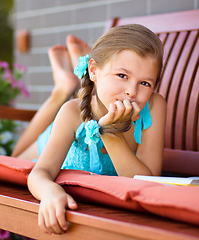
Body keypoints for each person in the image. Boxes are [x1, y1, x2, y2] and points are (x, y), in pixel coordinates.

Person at [27, 24, 167, 235]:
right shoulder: (71, 112)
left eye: (145, 83)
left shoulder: (154, 105)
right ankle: (61, 90)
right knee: (15, 155)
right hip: (50, 141)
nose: (131, 92)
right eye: (122, 75)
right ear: (93, 70)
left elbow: (145, 182)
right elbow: (39, 173)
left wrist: (110, 132)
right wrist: (49, 191)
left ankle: (69, 80)